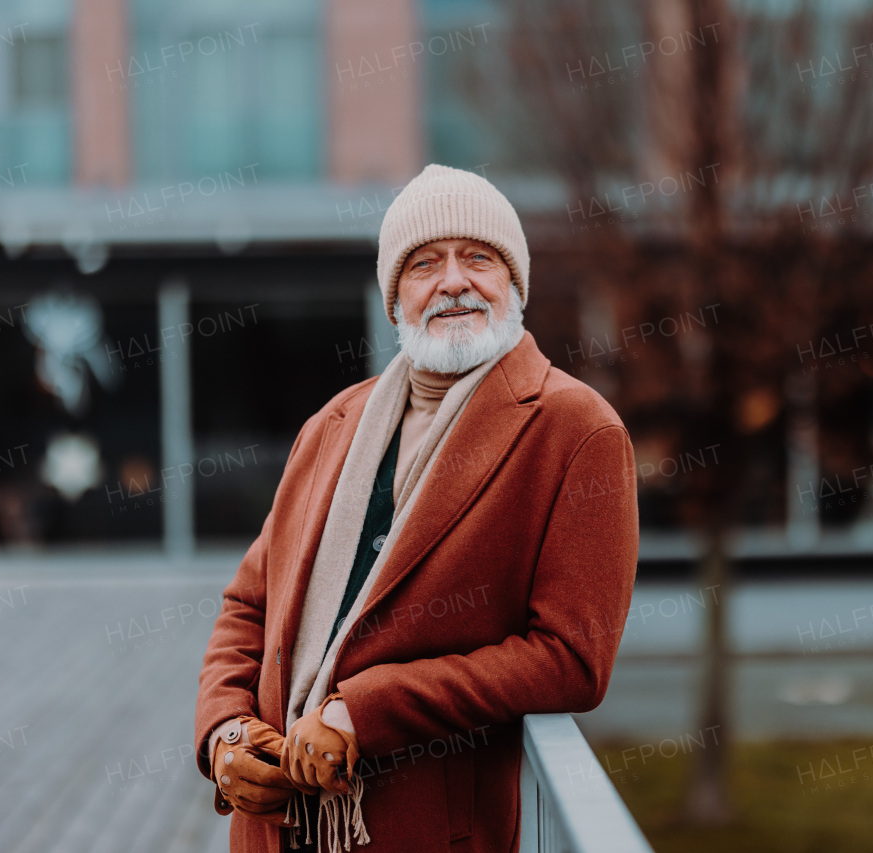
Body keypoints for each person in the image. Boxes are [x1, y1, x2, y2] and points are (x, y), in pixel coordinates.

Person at [195, 163, 640, 853]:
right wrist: (224, 731)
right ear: (395, 298)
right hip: (273, 830)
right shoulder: (334, 423)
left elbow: (571, 658)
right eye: (425, 263)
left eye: (479, 258)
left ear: (515, 283)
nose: (454, 281)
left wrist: (364, 711)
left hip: (427, 832)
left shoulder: (578, 429)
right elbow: (248, 606)